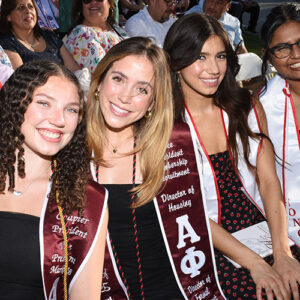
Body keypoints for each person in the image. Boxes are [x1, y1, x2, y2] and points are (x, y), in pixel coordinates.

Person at [164, 13, 300, 299]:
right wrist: (255, 263)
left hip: (258, 222)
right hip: (201, 236)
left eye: (221, 56)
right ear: (176, 62)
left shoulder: (245, 108)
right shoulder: (165, 128)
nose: (213, 69)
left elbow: (267, 181)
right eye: (200, 57)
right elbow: (188, 209)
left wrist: (283, 252)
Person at [87, 36, 226, 299]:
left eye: (142, 89)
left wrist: (255, 262)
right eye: (118, 79)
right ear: (100, 80)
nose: (126, 97)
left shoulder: (170, 148)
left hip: (172, 285)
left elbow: (195, 221)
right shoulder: (68, 147)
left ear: (153, 103)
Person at [0, 60, 108, 300]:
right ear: (17, 103)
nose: (59, 120)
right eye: (44, 103)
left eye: (71, 109)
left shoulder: (84, 199)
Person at [259, 4, 300, 254]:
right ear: (268, 55)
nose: (295, 55)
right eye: (282, 48)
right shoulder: (260, 109)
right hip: (287, 222)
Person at [0, 0, 79, 71]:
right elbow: (21, 79)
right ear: (8, 16)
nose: (28, 11)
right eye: (21, 7)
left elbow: (74, 69)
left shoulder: (49, 36)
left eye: (31, 7)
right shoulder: (7, 43)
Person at [64, 0, 127, 74]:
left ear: (110, 3)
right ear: (81, 6)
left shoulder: (115, 28)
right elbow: (103, 74)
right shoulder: (83, 35)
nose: (93, 2)